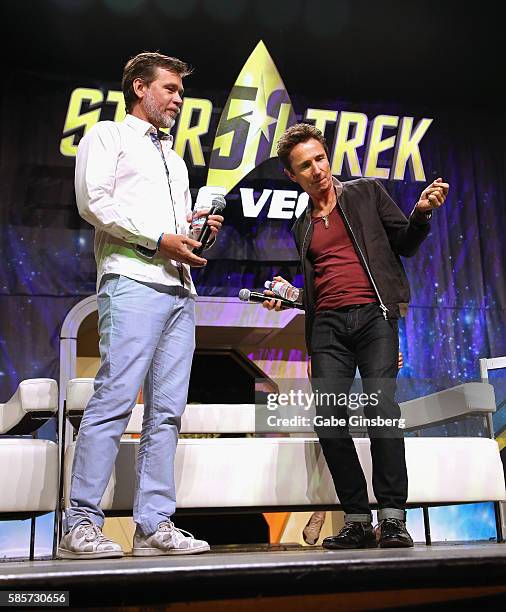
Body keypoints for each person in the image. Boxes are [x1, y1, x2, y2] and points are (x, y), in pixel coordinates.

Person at [59, 52, 223, 559]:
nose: (178, 99)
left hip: (180, 290)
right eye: (170, 89)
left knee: (168, 413)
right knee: (113, 401)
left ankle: (154, 526)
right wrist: (158, 239)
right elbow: (94, 202)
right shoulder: (106, 136)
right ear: (138, 86)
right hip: (131, 281)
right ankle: (80, 525)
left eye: (180, 91)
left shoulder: (174, 161)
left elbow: (179, 237)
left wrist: (199, 236)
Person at [265, 123, 448, 549]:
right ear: (293, 176)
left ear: (328, 157)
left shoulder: (366, 192)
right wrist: (291, 299)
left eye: (320, 159)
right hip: (327, 326)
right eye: (304, 166)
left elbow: (404, 243)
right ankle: (355, 519)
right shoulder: (302, 226)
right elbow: (319, 285)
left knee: (380, 407)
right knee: (329, 418)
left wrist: (420, 212)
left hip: (374, 317)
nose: (316, 169)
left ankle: (393, 517)